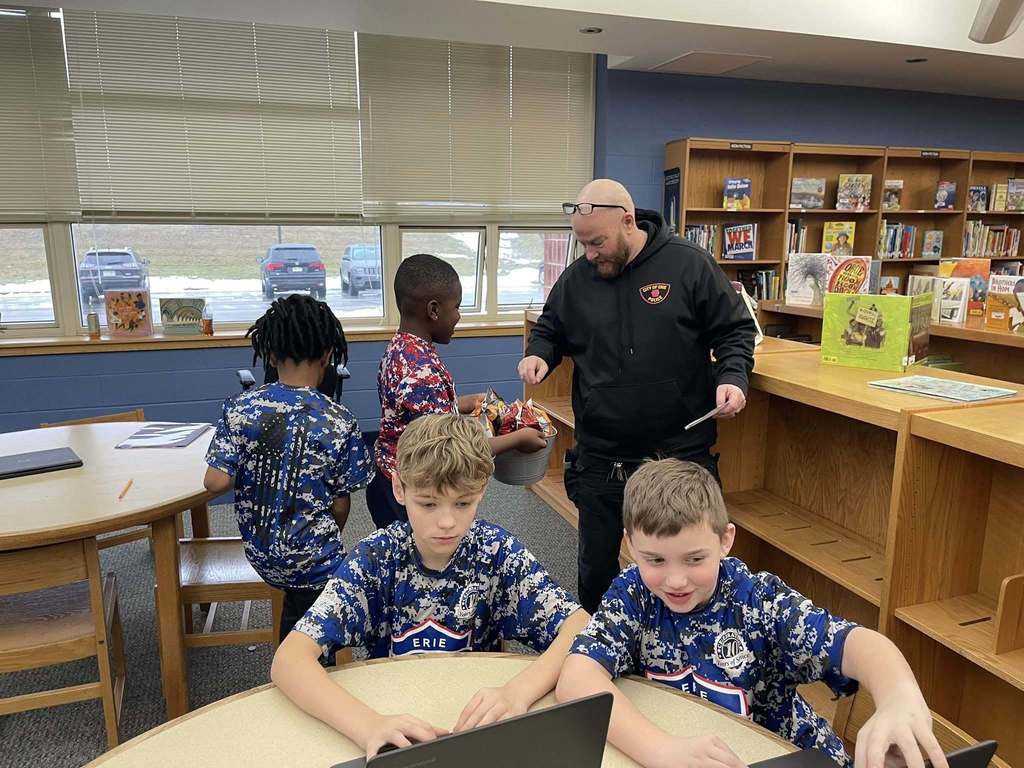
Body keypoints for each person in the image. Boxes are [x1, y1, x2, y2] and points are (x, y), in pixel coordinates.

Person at [556, 459, 949, 768]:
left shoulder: (758, 600)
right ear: (629, 544)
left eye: (695, 559)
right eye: (655, 559)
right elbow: (576, 678)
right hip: (694, 749)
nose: (675, 580)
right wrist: (661, 751)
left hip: (789, 755)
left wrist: (900, 699)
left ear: (725, 540)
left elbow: (859, 645)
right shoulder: (633, 593)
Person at [271, 413, 589, 758]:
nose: (447, 521)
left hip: (470, 726)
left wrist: (518, 692)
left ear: (482, 491)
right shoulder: (377, 558)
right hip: (395, 719)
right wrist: (368, 725)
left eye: (463, 503)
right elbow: (289, 661)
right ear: (399, 488)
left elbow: (579, 625)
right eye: (428, 504)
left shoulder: (496, 553)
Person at [518, 179, 756, 613]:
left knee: (688, 568)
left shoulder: (690, 265)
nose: (589, 253)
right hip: (603, 456)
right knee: (595, 570)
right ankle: (597, 654)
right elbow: (551, 327)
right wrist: (540, 355)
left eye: (597, 242)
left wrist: (734, 376)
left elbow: (735, 330)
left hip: (679, 452)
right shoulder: (578, 278)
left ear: (628, 221)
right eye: (582, 243)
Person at [204, 294, 374, 641]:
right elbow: (342, 505)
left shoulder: (240, 408)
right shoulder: (340, 420)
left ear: (269, 354)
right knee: (351, 584)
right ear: (328, 355)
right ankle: (308, 650)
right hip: (315, 561)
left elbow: (215, 482)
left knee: (298, 592)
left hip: (259, 555)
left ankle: (295, 637)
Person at [367, 253, 547, 529]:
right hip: (413, 494)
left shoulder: (401, 349)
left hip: (391, 475)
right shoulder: (421, 372)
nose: (459, 317)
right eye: (457, 307)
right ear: (434, 310)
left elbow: (417, 416)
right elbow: (451, 451)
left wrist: (463, 403)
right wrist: (519, 439)